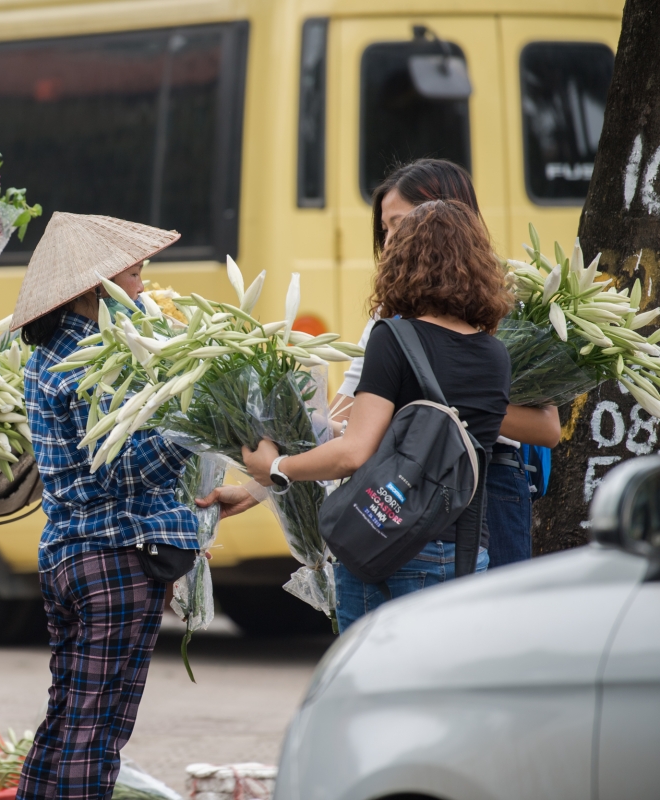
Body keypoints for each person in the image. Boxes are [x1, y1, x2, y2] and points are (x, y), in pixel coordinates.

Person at [202, 200, 512, 631]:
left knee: (368, 689)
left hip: (386, 536)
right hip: (459, 549)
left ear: (405, 259)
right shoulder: (496, 354)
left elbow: (354, 452)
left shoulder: (395, 338)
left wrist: (275, 467)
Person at [12, 212, 198, 800]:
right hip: (114, 558)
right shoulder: (95, 358)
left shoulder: (52, 351)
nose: (141, 271)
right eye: (129, 266)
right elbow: (127, 467)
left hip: (69, 554)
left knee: (69, 717)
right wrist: (196, 426)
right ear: (95, 283)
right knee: (97, 730)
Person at [332, 159, 560, 567]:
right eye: (384, 229)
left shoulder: (504, 304)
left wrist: (438, 402)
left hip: (489, 484)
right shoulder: (390, 315)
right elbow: (346, 414)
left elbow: (547, 428)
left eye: (399, 225)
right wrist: (266, 481)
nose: (388, 243)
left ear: (445, 218)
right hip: (408, 485)